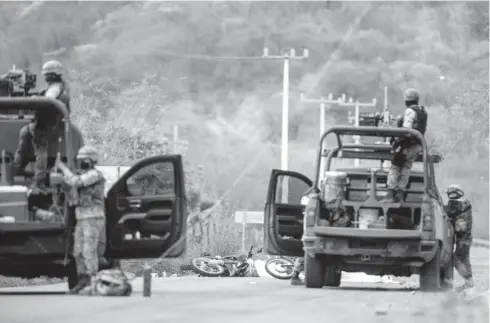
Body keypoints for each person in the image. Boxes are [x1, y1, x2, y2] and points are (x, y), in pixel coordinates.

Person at [12, 60, 71, 192]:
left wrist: (33, 99)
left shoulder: (56, 87)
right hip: (44, 121)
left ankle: (39, 181)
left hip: (46, 123)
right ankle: (17, 167)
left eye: (47, 74)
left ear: (54, 74)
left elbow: (48, 100)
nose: (45, 77)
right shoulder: (59, 86)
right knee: (24, 133)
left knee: (40, 150)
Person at [55, 145, 106, 294]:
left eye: (85, 160)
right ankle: (82, 280)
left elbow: (77, 182)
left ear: (93, 160)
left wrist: (63, 168)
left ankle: (92, 281)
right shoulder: (81, 175)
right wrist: (65, 187)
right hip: (81, 218)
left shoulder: (95, 175)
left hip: (93, 217)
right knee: (77, 252)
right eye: (81, 160)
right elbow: (73, 198)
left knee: (88, 251)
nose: (82, 163)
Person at [383, 88, 428, 203]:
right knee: (406, 168)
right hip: (418, 145)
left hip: (408, 146)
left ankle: (390, 194)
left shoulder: (410, 111)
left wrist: (396, 138)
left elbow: (406, 130)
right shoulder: (422, 111)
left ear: (406, 101)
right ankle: (400, 194)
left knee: (395, 167)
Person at [444, 184, 476, 297]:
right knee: (465, 260)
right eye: (450, 193)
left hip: (463, 239)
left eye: (453, 193)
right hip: (465, 238)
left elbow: (446, 211)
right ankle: (470, 284)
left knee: (456, 259)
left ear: (459, 192)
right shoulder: (464, 202)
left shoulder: (458, 203)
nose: (451, 196)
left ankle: (469, 281)